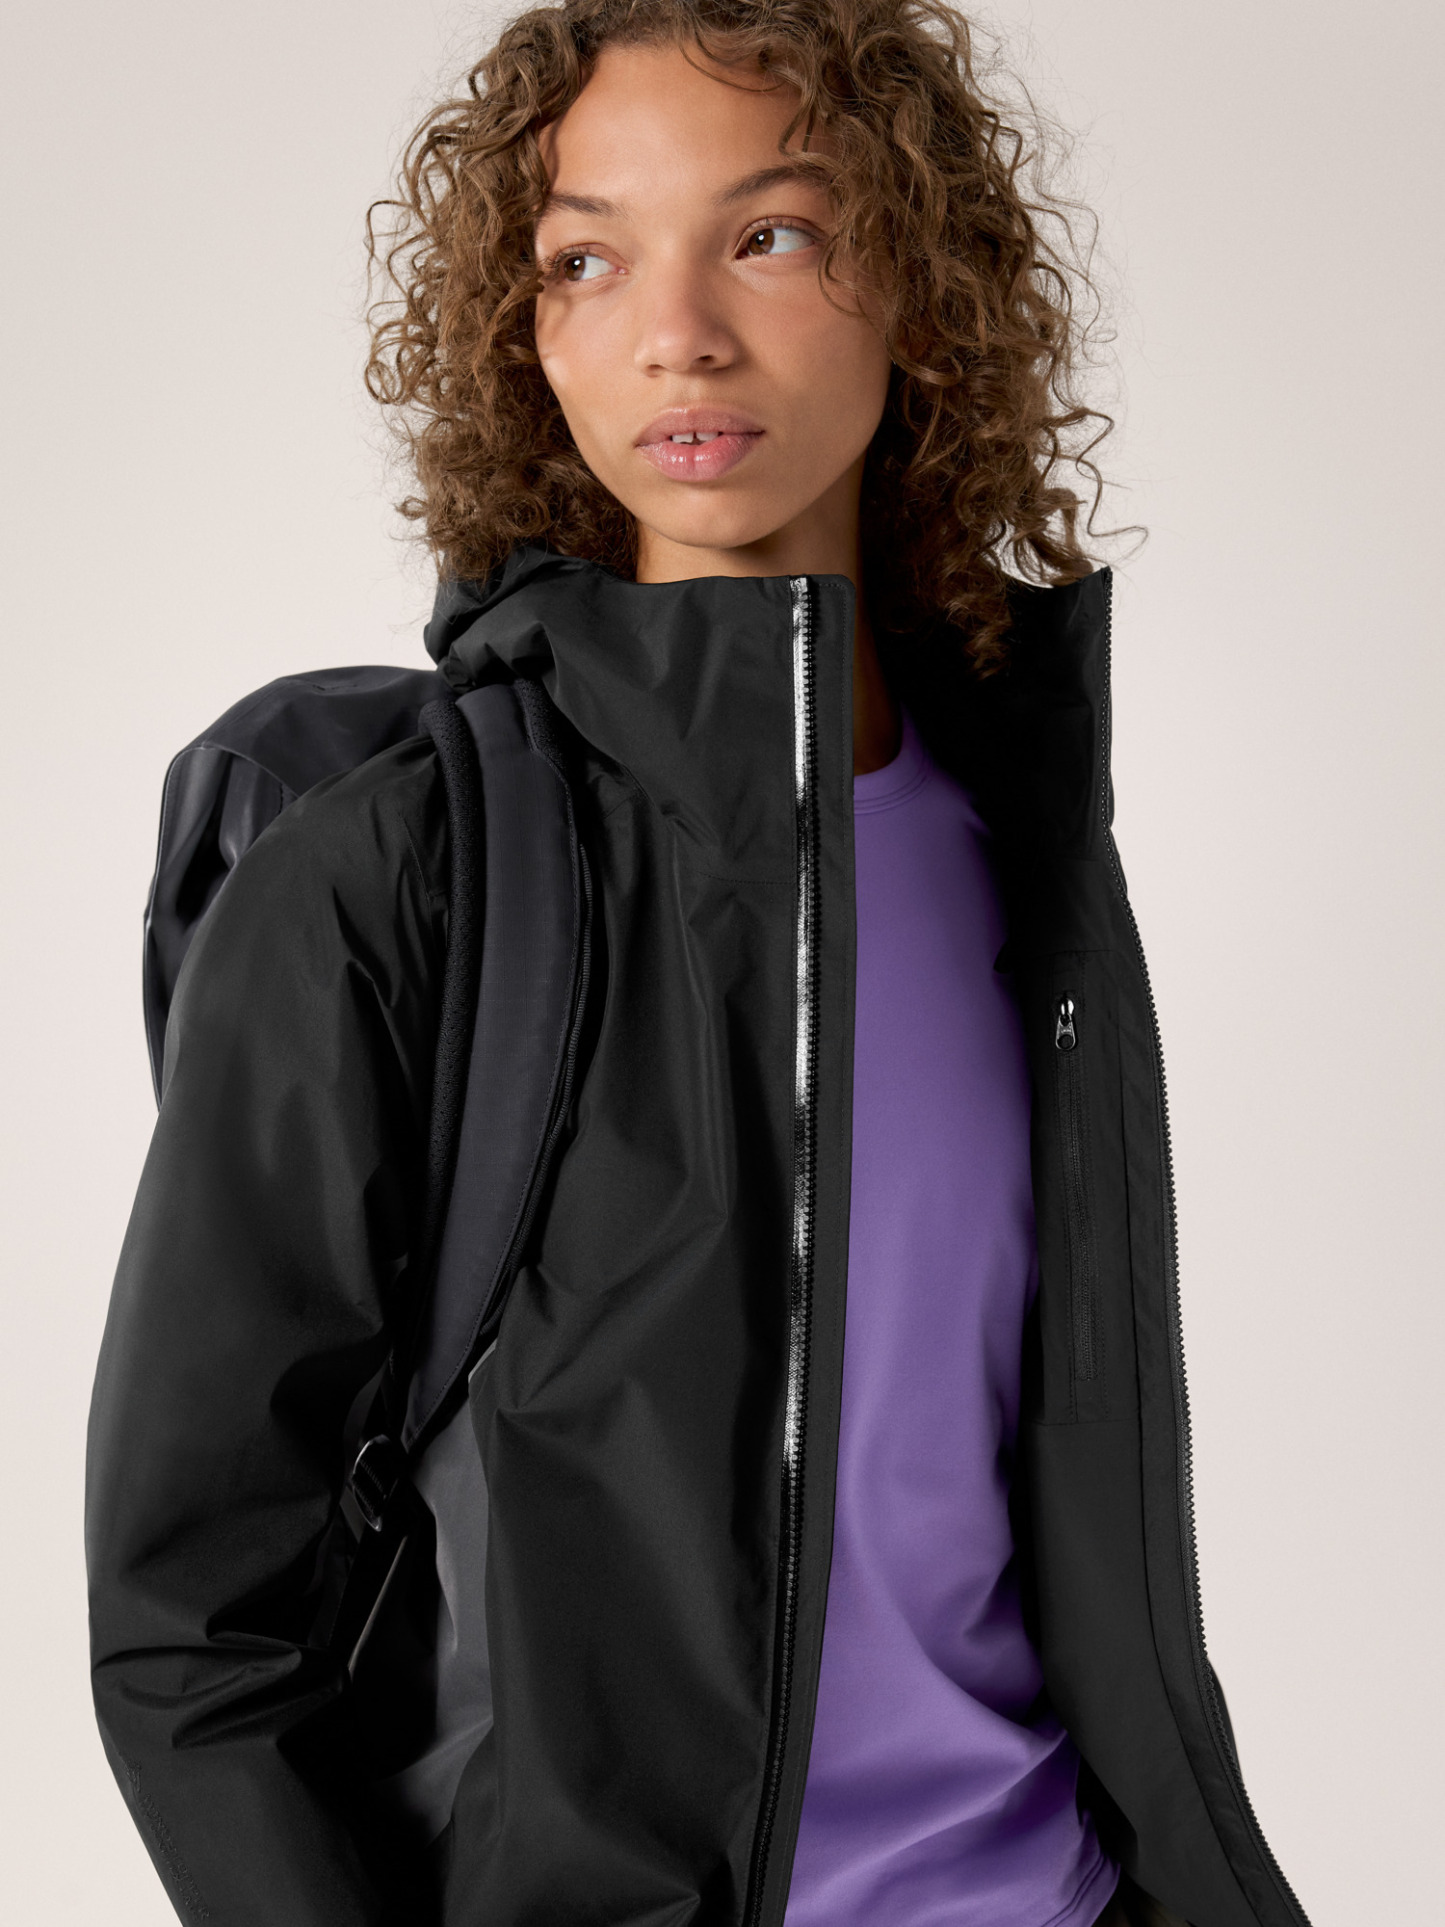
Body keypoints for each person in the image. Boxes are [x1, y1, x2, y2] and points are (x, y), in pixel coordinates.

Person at [84, 3, 1311, 1925]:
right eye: (585, 260)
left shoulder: (1026, 847)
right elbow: (194, 1621)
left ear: (922, 285)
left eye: (773, 233)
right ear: (524, 334)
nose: (677, 330)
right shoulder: (394, 873)